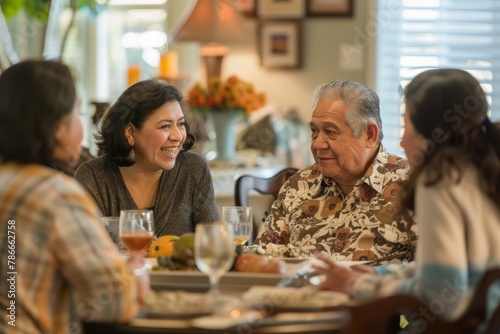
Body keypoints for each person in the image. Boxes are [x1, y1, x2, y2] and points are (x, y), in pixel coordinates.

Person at [314, 69, 500, 321]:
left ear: (431, 131)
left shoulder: (438, 182)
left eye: (407, 125)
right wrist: (378, 275)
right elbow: (446, 270)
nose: (402, 141)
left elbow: (440, 298)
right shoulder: (480, 170)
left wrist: (354, 286)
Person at [0, 60, 148, 334]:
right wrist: (136, 272)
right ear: (56, 127)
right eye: (77, 113)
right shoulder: (56, 195)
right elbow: (113, 301)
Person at [254, 80, 417, 263]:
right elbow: (262, 259)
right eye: (314, 131)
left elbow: (429, 276)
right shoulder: (298, 185)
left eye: (330, 132)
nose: (318, 144)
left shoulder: (412, 186)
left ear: (369, 135)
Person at [74, 80, 219, 237]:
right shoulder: (93, 177)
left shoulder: (194, 169)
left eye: (181, 124)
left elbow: (215, 244)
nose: (178, 136)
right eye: (165, 126)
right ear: (130, 132)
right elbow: (84, 252)